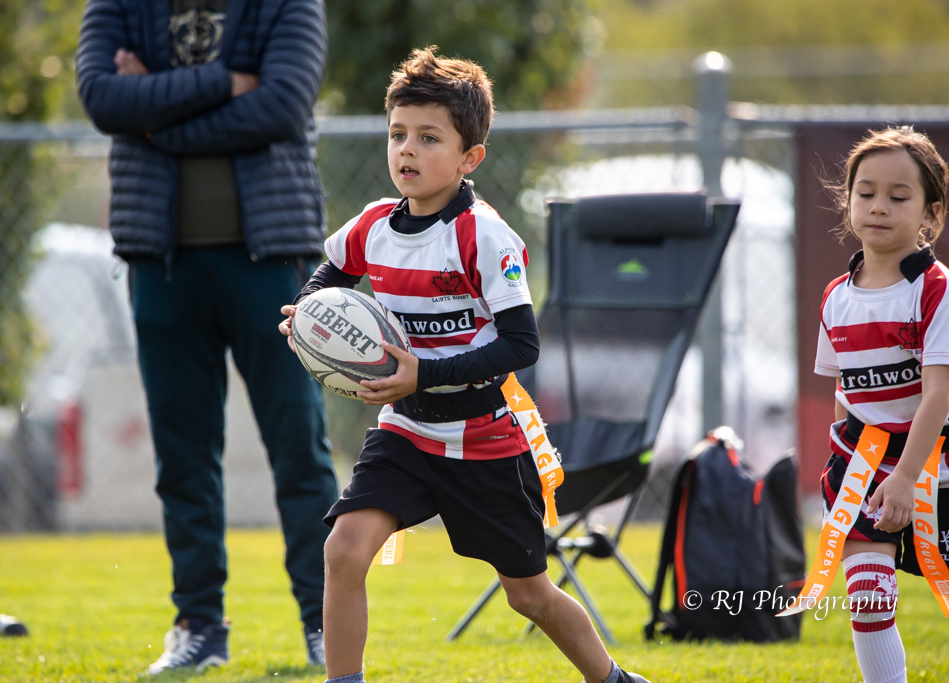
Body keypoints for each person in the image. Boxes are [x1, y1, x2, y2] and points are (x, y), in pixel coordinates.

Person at [279, 46, 651, 683]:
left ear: (468, 157)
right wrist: (308, 318)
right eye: (398, 135)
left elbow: (521, 346)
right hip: (404, 431)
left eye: (429, 138)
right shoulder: (372, 225)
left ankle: (612, 679)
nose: (407, 151)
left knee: (527, 593)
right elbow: (325, 278)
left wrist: (422, 372)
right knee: (343, 550)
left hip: (483, 438)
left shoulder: (484, 235)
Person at [75, 0, 339, 674]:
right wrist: (226, 82)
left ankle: (323, 620)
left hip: (269, 259)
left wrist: (154, 116)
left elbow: (281, 105)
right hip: (159, 263)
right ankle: (198, 624)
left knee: (298, 446)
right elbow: (103, 100)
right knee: (183, 457)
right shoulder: (119, 6)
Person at [814, 126, 949, 683]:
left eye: (899, 196)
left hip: (932, 460)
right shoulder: (834, 297)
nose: (878, 207)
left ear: (929, 213)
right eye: (865, 193)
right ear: (847, 202)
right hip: (861, 463)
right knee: (869, 601)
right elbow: (844, 392)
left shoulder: (935, 289)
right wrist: (849, 473)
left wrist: (906, 477)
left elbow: (938, 393)